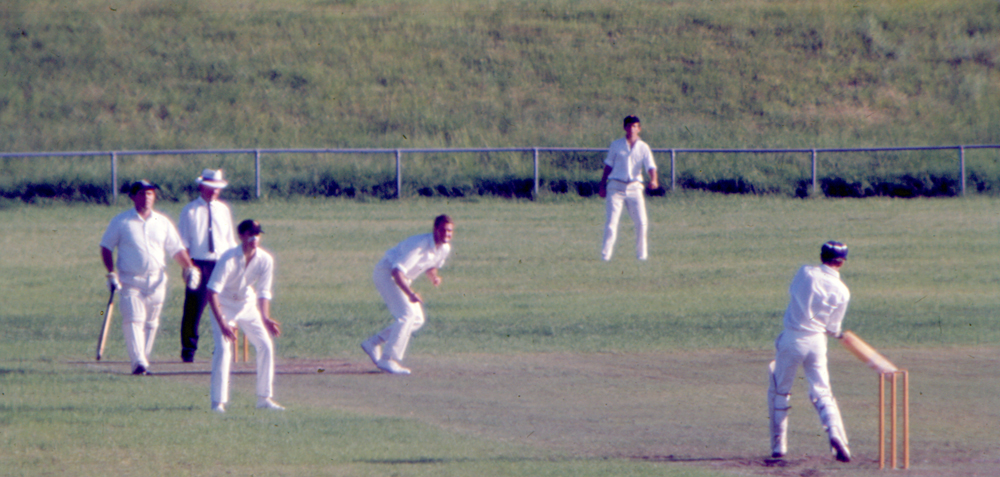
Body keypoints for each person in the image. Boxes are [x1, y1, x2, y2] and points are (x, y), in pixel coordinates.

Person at [100, 180, 199, 375]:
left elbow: (176, 248)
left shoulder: (162, 222)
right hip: (131, 280)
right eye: (142, 193)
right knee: (134, 320)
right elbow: (106, 246)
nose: (147, 197)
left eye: (150, 193)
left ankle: (142, 359)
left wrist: (189, 267)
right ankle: (138, 363)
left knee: (151, 322)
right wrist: (111, 272)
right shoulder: (121, 221)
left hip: (157, 281)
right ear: (132, 196)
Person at [768, 241, 852, 462]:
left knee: (780, 391)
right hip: (817, 342)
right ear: (842, 262)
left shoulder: (805, 273)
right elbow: (834, 328)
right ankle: (836, 435)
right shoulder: (843, 291)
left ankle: (779, 447)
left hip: (793, 337)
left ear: (822, 256)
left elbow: (793, 293)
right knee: (822, 391)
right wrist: (837, 332)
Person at [206, 219, 284, 413]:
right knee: (224, 350)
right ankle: (218, 402)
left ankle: (264, 398)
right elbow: (212, 292)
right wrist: (223, 322)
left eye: (257, 234)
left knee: (265, 345)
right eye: (250, 234)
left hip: (247, 304)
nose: (254, 238)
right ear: (241, 236)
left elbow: (264, 292)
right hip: (223, 304)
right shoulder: (229, 258)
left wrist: (265, 318)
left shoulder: (265, 259)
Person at [361, 215, 454, 375]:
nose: (447, 234)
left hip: (402, 278)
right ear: (435, 230)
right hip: (386, 275)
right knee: (407, 315)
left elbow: (431, 265)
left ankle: (373, 343)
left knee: (417, 320)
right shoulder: (419, 246)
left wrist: (433, 277)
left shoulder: (444, 248)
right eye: (443, 230)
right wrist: (410, 294)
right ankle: (388, 359)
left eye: (450, 230)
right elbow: (396, 272)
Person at [177, 169, 237, 363]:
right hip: (199, 263)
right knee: (194, 308)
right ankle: (188, 349)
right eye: (210, 188)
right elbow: (183, 243)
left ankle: (224, 347)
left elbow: (229, 240)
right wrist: (187, 268)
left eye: (217, 189)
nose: (213, 192)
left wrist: (235, 263)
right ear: (201, 187)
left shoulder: (223, 210)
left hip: (221, 262)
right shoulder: (190, 210)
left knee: (225, 305)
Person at [597, 115, 659, 261]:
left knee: (642, 222)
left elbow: (650, 166)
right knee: (612, 223)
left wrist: (654, 180)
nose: (632, 129)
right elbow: (608, 166)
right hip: (616, 187)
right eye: (629, 126)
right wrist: (602, 185)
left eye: (635, 126)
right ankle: (605, 256)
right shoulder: (616, 145)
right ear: (624, 128)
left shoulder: (643, 147)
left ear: (639, 128)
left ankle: (642, 256)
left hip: (634, 187)